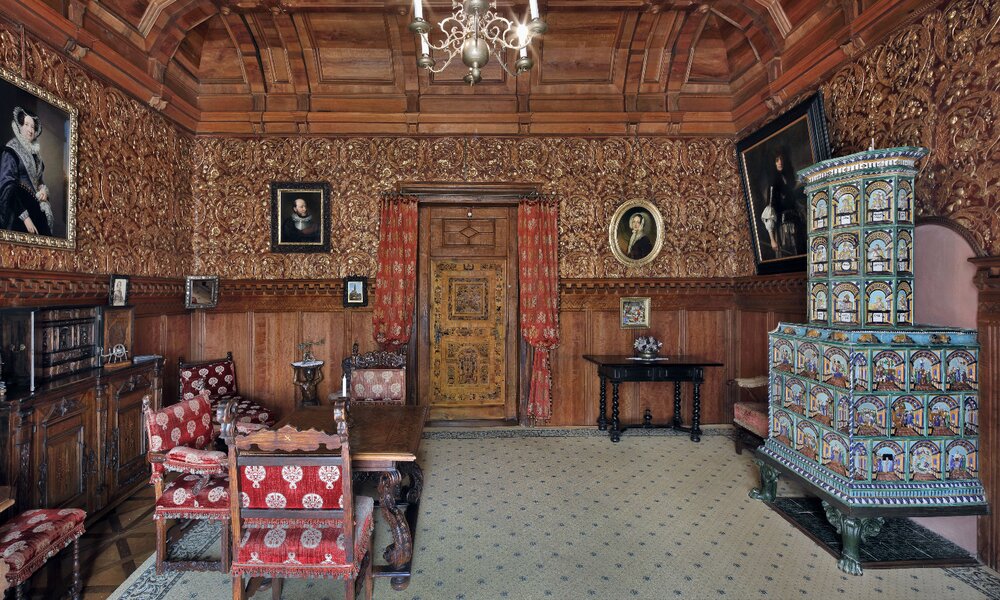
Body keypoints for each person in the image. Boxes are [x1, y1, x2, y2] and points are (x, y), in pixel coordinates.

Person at [0, 107, 52, 236]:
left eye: (33, 127)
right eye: (26, 125)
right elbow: (6, 186)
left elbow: (39, 181)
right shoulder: (11, 151)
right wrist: (25, 218)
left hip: (36, 209)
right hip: (18, 210)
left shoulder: (36, 156)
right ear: (19, 126)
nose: (30, 130)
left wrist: (43, 190)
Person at [760, 150, 804, 258]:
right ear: (773, 163)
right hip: (783, 230)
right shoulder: (773, 183)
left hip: (795, 227)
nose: (780, 162)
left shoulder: (786, 180)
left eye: (781, 159)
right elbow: (769, 212)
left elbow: (793, 202)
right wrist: (772, 240)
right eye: (777, 160)